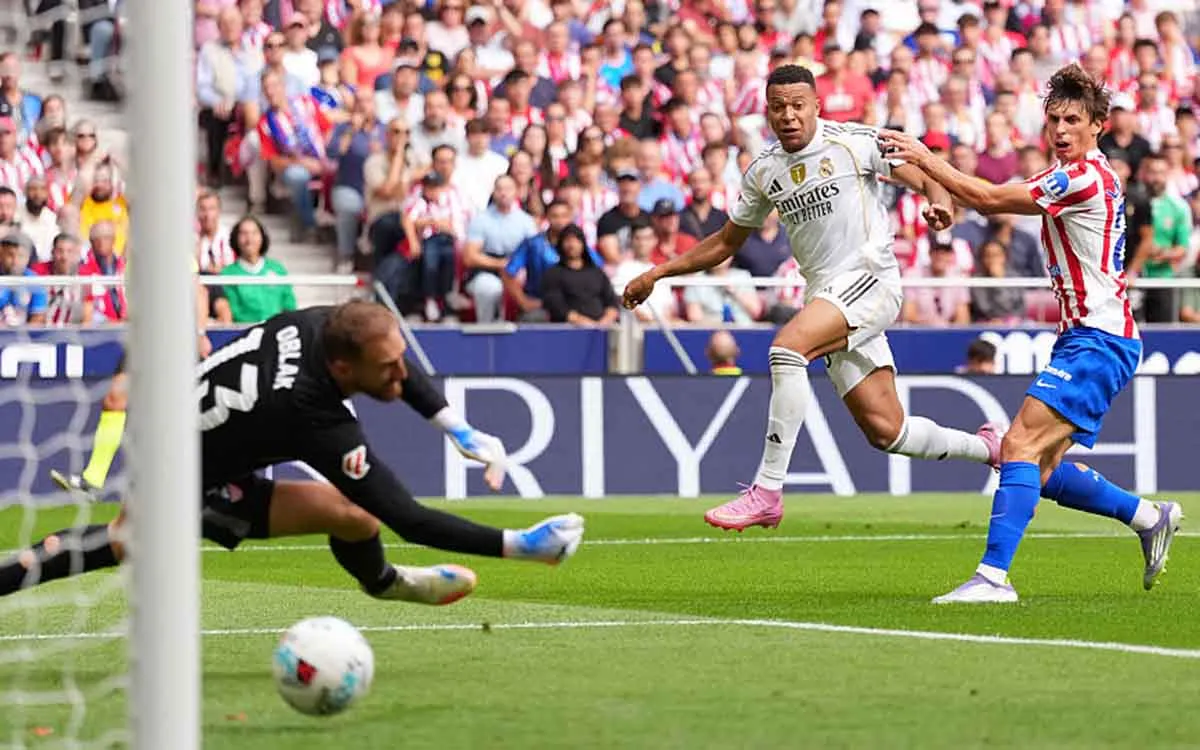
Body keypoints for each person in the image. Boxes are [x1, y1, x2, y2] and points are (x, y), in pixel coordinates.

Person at [622, 64, 1000, 533]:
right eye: (778, 107)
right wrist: (658, 273)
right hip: (827, 296)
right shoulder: (763, 170)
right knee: (888, 431)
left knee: (786, 348)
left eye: (798, 105)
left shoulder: (854, 141)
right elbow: (724, 243)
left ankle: (768, 490)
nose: (789, 115)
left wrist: (940, 200)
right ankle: (990, 448)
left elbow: (925, 174)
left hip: (870, 279)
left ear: (816, 105)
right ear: (767, 112)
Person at [20, 302, 585, 604]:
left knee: (352, 517)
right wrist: (521, 546)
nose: (401, 374)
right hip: (173, 466)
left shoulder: (325, 323)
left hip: (187, 429)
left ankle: (391, 586)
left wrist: (456, 427)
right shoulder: (311, 414)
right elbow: (407, 516)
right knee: (124, 542)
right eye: (386, 369)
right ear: (343, 370)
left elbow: (390, 356)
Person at [877, 64, 1182, 603]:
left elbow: (993, 200)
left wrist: (926, 159)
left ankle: (993, 578)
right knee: (1038, 467)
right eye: (1053, 120)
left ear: (1098, 125)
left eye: (1072, 120)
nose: (1060, 130)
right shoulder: (1087, 173)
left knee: (1016, 444)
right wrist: (946, 196)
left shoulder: (1081, 176)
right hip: (1088, 337)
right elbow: (987, 199)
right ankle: (1146, 515)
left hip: (1099, 337)